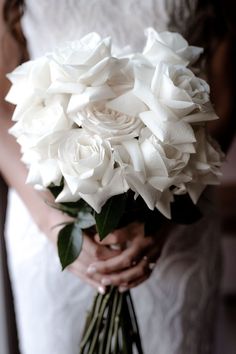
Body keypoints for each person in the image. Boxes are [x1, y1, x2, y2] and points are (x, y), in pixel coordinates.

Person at [0, 0, 233, 353]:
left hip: (178, 216)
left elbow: (227, 91)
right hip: (47, 211)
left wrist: (163, 216)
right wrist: (52, 219)